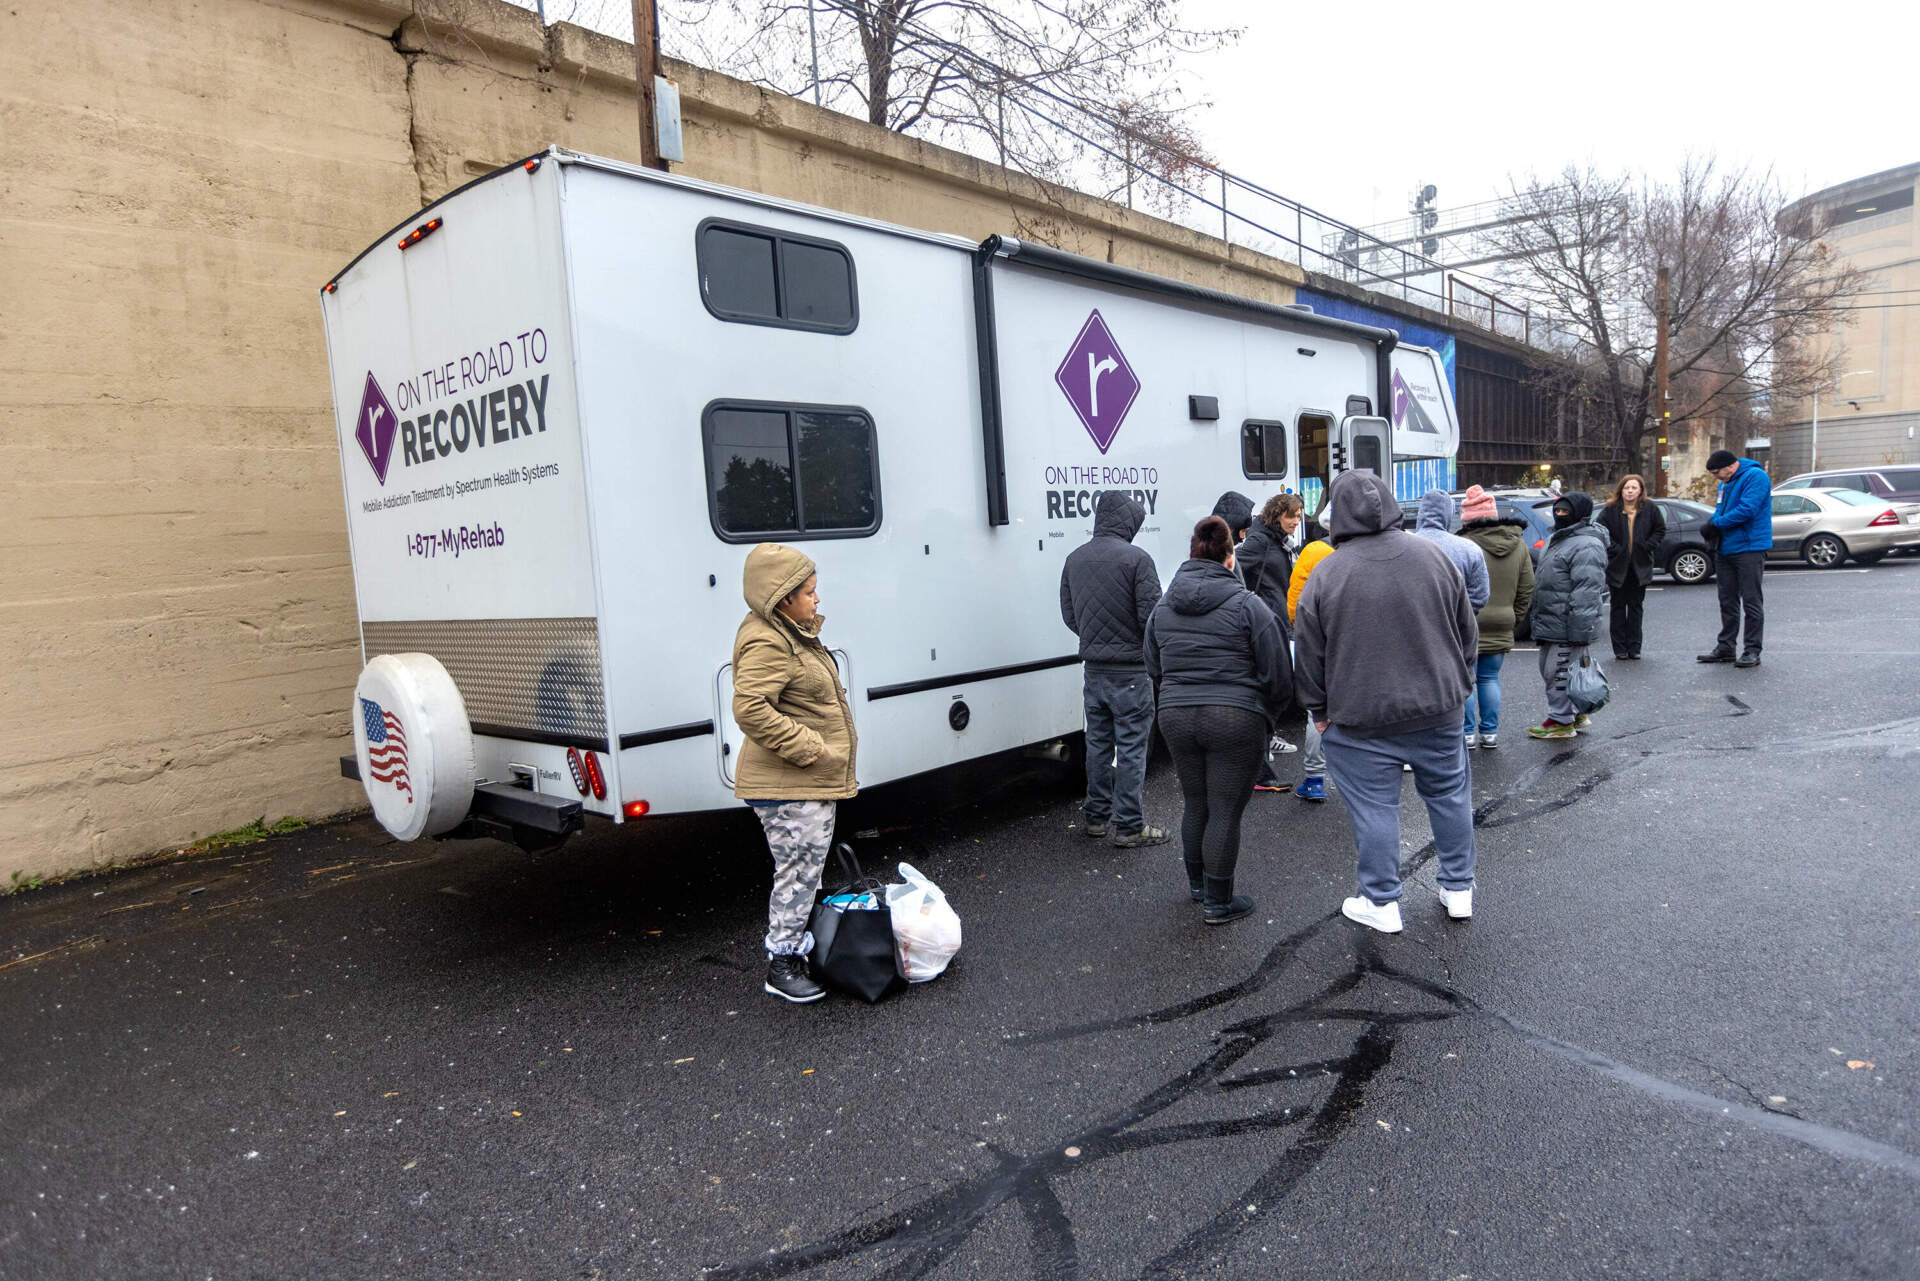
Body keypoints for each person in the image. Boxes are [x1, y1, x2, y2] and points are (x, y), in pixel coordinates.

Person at [1294, 471, 1478, 934]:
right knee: (1449, 796)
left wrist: (1317, 710)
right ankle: (1459, 890)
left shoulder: (1328, 572)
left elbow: (1309, 650)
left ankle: (1382, 901)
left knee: (1376, 808)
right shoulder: (1434, 556)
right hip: (1439, 707)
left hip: (1360, 717)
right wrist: (1460, 682)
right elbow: (1466, 632)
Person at [1144, 515, 1295, 924]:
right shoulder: (1249, 606)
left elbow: (1153, 666)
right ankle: (1218, 902)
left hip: (1175, 715)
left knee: (1196, 802)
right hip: (1235, 717)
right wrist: (1267, 717)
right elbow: (1279, 676)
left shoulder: (1162, 608)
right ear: (1231, 559)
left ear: (1192, 554)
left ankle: (1198, 887)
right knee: (1225, 810)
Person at [731, 544, 859, 1004]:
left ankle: (803, 953)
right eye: (809, 592)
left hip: (801, 780)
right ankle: (781, 964)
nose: (817, 599)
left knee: (806, 870)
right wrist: (811, 749)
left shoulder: (792, 631)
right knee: (798, 872)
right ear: (783, 597)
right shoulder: (769, 639)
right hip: (787, 783)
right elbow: (749, 708)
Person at [1060, 492, 1168, 847]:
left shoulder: (1074, 559)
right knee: (1133, 749)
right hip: (1132, 672)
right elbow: (1151, 618)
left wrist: (1096, 639)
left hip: (1093, 671)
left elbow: (1070, 614)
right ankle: (1129, 826)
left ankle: (1095, 818)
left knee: (1099, 746)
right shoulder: (1138, 560)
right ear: (1128, 523)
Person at [1526, 492, 1610, 740]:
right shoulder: (1558, 538)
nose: (1560, 515)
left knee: (1558, 672)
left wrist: (1579, 630)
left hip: (1568, 622)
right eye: (1558, 510)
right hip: (1551, 618)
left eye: (1566, 511)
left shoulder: (1588, 544)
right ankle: (1575, 713)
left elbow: (1587, 590)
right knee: (1559, 669)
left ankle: (1560, 721)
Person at [1458, 485, 1534, 749]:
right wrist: (1514, 616)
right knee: (1490, 678)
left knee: (1466, 681)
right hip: (1502, 620)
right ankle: (1490, 733)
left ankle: (1467, 734)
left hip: (1468, 621)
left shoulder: (1464, 546)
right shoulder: (1519, 544)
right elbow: (1527, 586)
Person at [1239, 493, 1305, 790]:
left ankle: (1262, 751)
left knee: (1278, 688)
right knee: (1274, 689)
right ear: (1277, 514)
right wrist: (1247, 600)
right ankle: (1258, 763)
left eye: (1300, 515)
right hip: (1268, 624)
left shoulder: (1281, 542)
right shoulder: (1260, 541)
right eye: (1292, 515)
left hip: (1281, 623)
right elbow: (1233, 566)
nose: (1297, 521)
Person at [1696, 449, 1772, 669]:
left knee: (1751, 601)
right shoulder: (1725, 483)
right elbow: (1720, 510)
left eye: (1717, 472)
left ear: (1731, 465)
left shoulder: (1755, 477)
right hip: (1726, 547)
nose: (1716, 477)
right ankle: (1726, 647)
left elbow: (1747, 509)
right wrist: (1710, 521)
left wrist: (1716, 524)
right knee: (1727, 600)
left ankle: (1752, 650)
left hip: (1750, 547)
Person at [1286, 520, 1336, 802]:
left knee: (1317, 709)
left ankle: (1315, 779)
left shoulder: (1314, 551)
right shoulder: (1364, 550)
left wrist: (1298, 629)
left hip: (1315, 639)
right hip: (1352, 641)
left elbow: (1295, 601)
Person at [1598, 474, 1665, 660]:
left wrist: (1647, 545)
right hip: (1617, 566)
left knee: (1636, 607)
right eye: (1627, 488)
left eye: (1634, 488)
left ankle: (1634, 648)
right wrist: (1614, 548)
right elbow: (1600, 530)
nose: (1630, 491)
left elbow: (1660, 530)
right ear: (1621, 489)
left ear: (1640, 491)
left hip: (1640, 565)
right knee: (1618, 607)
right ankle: (1620, 649)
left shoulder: (1650, 508)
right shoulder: (1611, 509)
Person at [1411, 489, 1491, 610]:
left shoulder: (1402, 547)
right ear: (1449, 514)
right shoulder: (1470, 550)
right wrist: (1458, 618)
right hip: (1453, 627)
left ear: (1421, 512)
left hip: (1414, 626)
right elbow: (1480, 597)